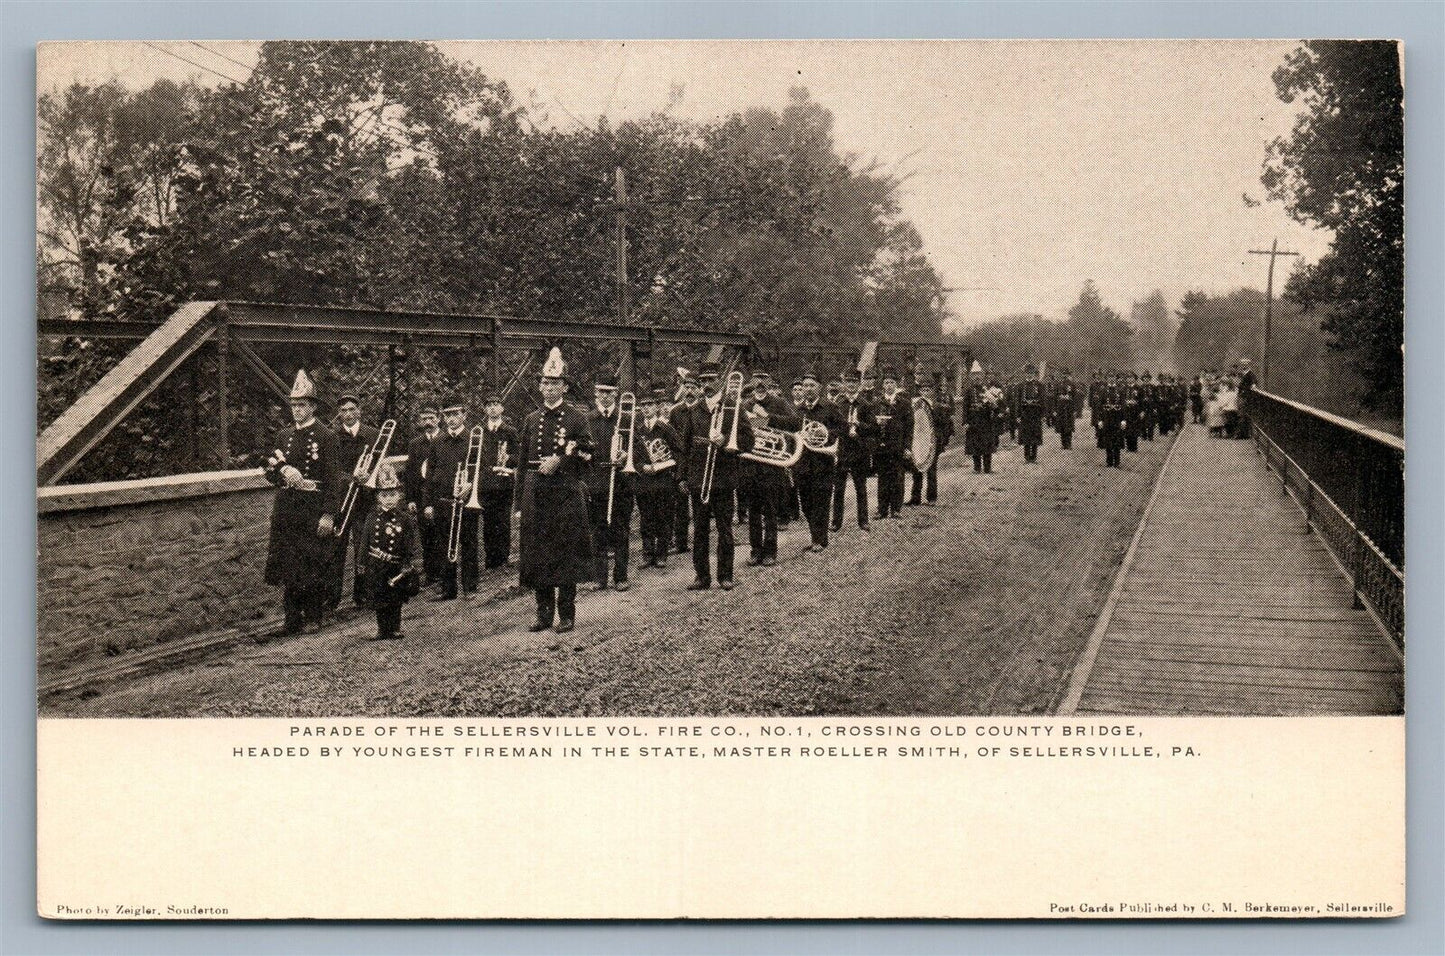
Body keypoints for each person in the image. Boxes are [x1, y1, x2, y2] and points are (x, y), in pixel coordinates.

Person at [514, 347, 595, 633]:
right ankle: (543, 613)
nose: (549, 388)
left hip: (565, 492)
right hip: (536, 492)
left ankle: (567, 614)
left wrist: (561, 460)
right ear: (540, 386)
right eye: (545, 383)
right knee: (539, 553)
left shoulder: (576, 418)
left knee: (566, 552)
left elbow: (588, 453)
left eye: (554, 383)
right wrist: (518, 504)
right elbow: (521, 464)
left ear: (564, 387)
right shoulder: (530, 420)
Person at [262, 370, 344, 634]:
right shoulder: (283, 436)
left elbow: (334, 479)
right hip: (287, 508)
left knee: (311, 563)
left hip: (313, 508)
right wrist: (283, 470)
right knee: (289, 563)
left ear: (313, 407)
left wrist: (329, 515)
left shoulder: (326, 436)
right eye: (294, 405)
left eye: (302, 405)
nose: (297, 410)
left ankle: (313, 616)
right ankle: (291, 619)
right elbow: (269, 470)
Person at [673, 361, 755, 590]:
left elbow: (749, 441)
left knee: (724, 529)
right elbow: (684, 448)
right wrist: (681, 477)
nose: (707, 384)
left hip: (724, 478)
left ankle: (725, 576)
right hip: (699, 478)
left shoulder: (733, 407)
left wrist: (726, 440)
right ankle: (702, 577)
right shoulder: (694, 410)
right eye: (703, 381)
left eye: (711, 380)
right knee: (699, 530)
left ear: (720, 380)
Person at [423, 396, 479, 600]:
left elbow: (482, 468)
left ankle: (470, 587)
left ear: (464, 415)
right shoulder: (437, 441)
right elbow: (430, 474)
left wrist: (470, 485)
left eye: (455, 414)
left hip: (467, 500)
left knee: (468, 543)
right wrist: (428, 503)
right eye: (447, 415)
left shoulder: (474, 439)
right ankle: (448, 589)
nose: (451, 419)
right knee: (444, 544)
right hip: (443, 500)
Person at [358, 463, 422, 641]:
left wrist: (407, 562)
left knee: (395, 598)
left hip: (396, 564)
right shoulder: (372, 517)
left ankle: (394, 628)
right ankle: (382, 629)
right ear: (378, 497)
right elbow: (365, 541)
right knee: (379, 597)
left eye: (392, 495)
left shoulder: (405, 519)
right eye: (384, 495)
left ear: (399, 495)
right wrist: (361, 563)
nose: (389, 499)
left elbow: (409, 543)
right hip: (376, 565)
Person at [328, 393, 380, 609]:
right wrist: (352, 478)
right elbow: (332, 469)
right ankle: (331, 599)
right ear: (339, 414)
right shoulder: (332, 436)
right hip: (342, 500)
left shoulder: (374, 434)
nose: (348, 414)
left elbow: (380, 464)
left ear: (359, 410)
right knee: (336, 549)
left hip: (365, 500)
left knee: (364, 547)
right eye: (343, 411)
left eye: (352, 409)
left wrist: (369, 475)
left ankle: (363, 595)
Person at [584, 374, 633, 592]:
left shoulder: (626, 419)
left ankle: (621, 576)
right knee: (597, 530)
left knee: (621, 530)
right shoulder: (587, 419)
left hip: (621, 482)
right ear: (596, 394)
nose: (605, 396)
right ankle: (599, 577)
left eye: (609, 392)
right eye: (601, 392)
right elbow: (581, 450)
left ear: (616, 394)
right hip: (596, 482)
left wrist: (626, 456)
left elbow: (638, 449)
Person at [790, 370, 842, 552]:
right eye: (805, 386)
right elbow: (791, 434)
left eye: (812, 385)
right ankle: (817, 537)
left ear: (819, 387)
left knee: (821, 502)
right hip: (802, 463)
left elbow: (841, 429)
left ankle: (818, 539)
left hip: (822, 462)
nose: (808, 389)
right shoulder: (797, 411)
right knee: (806, 504)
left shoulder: (830, 407)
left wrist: (823, 434)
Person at [742, 373, 791, 566]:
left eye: (763, 381)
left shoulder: (779, 402)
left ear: (769, 383)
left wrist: (768, 418)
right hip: (750, 464)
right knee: (753, 510)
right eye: (756, 382)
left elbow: (794, 423)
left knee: (770, 510)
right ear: (751, 384)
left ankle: (770, 551)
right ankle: (755, 550)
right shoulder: (745, 405)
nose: (760, 385)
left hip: (770, 464)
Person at [634, 388, 683, 569]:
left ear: (656, 407)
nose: (646, 408)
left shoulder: (665, 428)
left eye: (649, 405)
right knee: (646, 518)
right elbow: (633, 456)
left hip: (663, 480)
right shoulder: (637, 430)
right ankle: (648, 554)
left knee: (663, 517)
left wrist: (664, 466)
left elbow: (678, 452)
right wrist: (642, 467)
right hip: (644, 480)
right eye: (643, 406)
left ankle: (661, 554)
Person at [402, 405, 444, 585]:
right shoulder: (415, 444)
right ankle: (431, 573)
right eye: (424, 419)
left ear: (439, 419)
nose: (428, 422)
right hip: (421, 496)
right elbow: (410, 474)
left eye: (431, 418)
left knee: (442, 533)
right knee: (426, 535)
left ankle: (444, 574)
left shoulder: (446, 439)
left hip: (441, 494)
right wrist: (410, 499)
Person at [831, 369, 875, 532]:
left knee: (860, 487)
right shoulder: (838, 403)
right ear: (844, 384)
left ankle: (863, 521)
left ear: (859, 384)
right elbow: (832, 425)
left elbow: (873, 428)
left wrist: (859, 426)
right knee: (839, 488)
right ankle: (836, 522)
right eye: (848, 382)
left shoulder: (866, 404)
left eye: (854, 382)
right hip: (842, 450)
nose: (851, 385)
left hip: (859, 451)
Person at [478, 392, 518, 570]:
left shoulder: (510, 431)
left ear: (502, 408)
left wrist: (508, 459)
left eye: (496, 404)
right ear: (485, 409)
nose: (493, 408)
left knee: (503, 521)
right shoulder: (479, 431)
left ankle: (503, 558)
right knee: (488, 521)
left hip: (504, 482)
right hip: (486, 482)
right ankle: (490, 559)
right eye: (489, 405)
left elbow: (518, 456)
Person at [873, 367, 914, 518]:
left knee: (898, 477)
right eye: (886, 382)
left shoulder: (904, 403)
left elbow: (909, 427)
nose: (889, 385)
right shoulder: (877, 403)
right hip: (881, 446)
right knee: (882, 478)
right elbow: (871, 424)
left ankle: (896, 509)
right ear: (882, 385)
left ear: (896, 384)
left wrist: (907, 447)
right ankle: (882, 509)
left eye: (891, 382)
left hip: (898, 445)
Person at [668, 371, 701, 556]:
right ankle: (681, 543)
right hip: (680, 462)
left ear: (699, 390)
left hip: (698, 463)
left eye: (693, 388)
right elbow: (672, 440)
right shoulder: (675, 411)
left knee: (700, 506)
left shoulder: (704, 410)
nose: (689, 391)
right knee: (680, 505)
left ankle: (700, 541)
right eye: (686, 387)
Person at [908, 379, 952, 505]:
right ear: (920, 391)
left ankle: (931, 498)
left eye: (928, 390)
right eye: (923, 390)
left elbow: (944, 423)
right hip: (919, 441)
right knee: (917, 468)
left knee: (931, 470)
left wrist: (940, 439)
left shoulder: (937, 406)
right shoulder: (916, 404)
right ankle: (915, 498)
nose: (925, 392)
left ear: (932, 391)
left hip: (932, 441)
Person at [962, 365, 998, 474]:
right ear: (972, 377)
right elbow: (965, 407)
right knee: (975, 445)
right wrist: (965, 422)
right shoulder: (968, 391)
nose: (977, 377)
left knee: (987, 445)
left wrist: (993, 406)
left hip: (985, 420)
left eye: (978, 375)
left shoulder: (986, 390)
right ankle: (977, 467)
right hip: (973, 421)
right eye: (974, 375)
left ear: (982, 376)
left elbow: (994, 405)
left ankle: (987, 468)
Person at [1015, 364, 1046, 463]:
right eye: (1028, 373)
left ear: (1034, 374)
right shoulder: (1020, 386)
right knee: (1026, 435)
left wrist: (1043, 415)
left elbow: (1043, 400)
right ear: (1025, 374)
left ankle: (1034, 457)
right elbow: (1017, 401)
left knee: (1035, 434)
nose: (1029, 375)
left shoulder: (1039, 385)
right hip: (1025, 413)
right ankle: (1027, 457)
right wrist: (1018, 415)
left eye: (1031, 373)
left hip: (1035, 413)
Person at [1099, 373, 1128, 468]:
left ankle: (1117, 462)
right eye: (1109, 377)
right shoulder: (1103, 391)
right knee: (1108, 440)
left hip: (1117, 418)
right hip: (1107, 418)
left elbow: (1123, 406)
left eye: (1113, 377)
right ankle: (1109, 461)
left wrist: (1123, 419)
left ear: (1115, 378)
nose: (1111, 379)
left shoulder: (1120, 390)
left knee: (1117, 440)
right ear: (1107, 378)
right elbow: (1100, 406)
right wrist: (1100, 420)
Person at [1050, 367, 1078, 450]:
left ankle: (1068, 443)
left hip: (1069, 407)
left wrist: (1075, 409)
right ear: (1061, 375)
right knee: (1061, 425)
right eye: (1063, 374)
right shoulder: (1058, 384)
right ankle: (1063, 443)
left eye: (1066, 374)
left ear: (1068, 375)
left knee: (1069, 425)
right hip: (1060, 408)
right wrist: (1054, 409)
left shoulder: (1072, 384)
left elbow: (1075, 397)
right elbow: (1054, 398)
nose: (1064, 376)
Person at [1236, 358, 1256, 438]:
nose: (1243, 366)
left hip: (1245, 396)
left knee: (1243, 415)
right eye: (1243, 365)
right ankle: (1244, 433)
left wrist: (1251, 387)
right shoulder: (1244, 374)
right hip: (1242, 396)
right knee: (1242, 415)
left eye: (1245, 365)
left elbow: (1254, 383)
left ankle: (1242, 434)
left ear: (1248, 365)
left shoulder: (1250, 374)